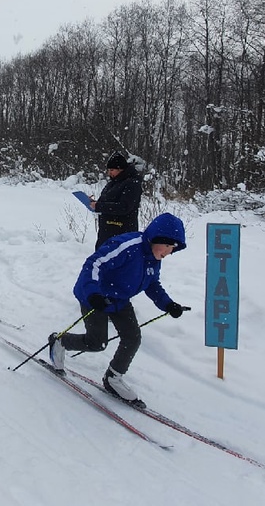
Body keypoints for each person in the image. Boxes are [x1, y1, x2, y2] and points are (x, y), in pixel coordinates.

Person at [47, 212, 187, 407]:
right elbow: (93, 264)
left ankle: (113, 378)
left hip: (120, 299)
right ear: (158, 238)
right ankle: (60, 342)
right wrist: (94, 294)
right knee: (97, 342)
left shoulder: (154, 258)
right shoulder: (128, 246)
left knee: (132, 337)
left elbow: (152, 284)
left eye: (173, 249)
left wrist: (168, 304)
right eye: (169, 246)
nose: (170, 252)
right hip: (95, 296)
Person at [87, 151, 143, 250]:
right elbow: (107, 202)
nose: (109, 173)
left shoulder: (132, 184)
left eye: (112, 170)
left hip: (121, 233)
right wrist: (94, 203)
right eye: (108, 170)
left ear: (120, 169)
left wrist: (99, 206)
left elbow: (124, 207)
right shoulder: (113, 183)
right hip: (106, 233)